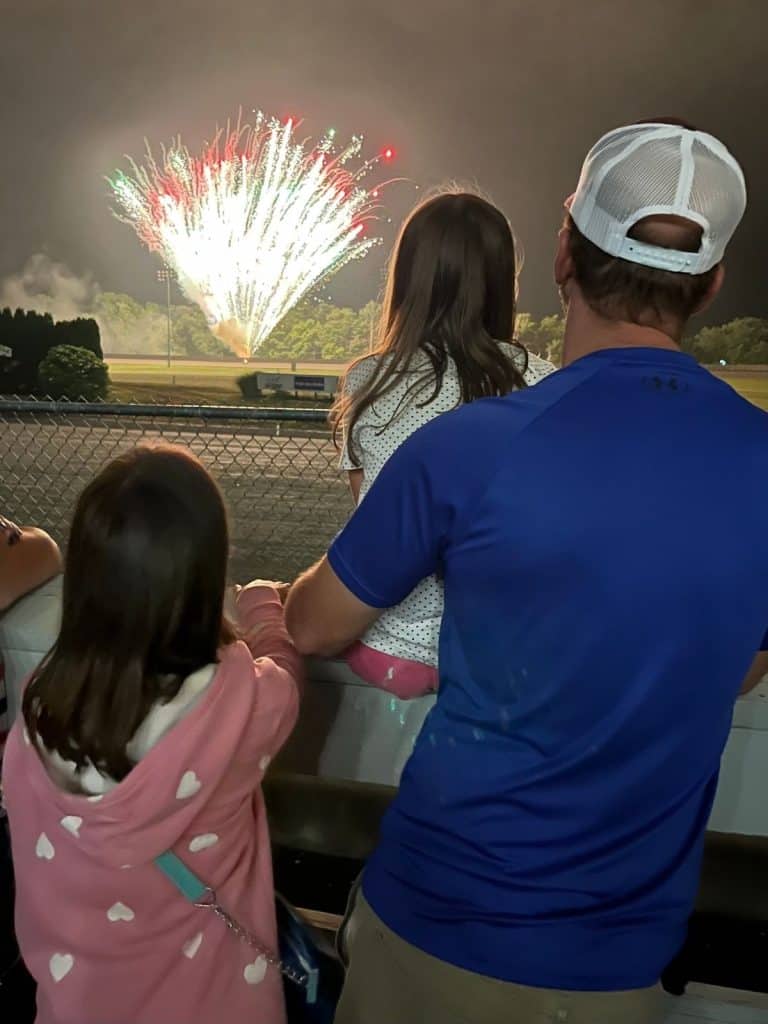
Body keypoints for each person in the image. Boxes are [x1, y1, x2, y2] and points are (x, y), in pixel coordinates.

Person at [285, 121, 768, 1024]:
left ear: (562, 254)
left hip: (439, 928)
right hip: (624, 961)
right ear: (710, 283)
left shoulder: (465, 448)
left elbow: (315, 626)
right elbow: (737, 663)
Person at [2, 444, 301, 1024]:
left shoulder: (44, 700)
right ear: (204, 574)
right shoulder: (243, 705)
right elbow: (285, 670)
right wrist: (262, 604)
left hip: (76, 1006)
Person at [332, 190, 555, 698]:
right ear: (503, 284)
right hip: (499, 660)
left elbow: (372, 524)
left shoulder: (369, 381)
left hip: (386, 653)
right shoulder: (544, 384)